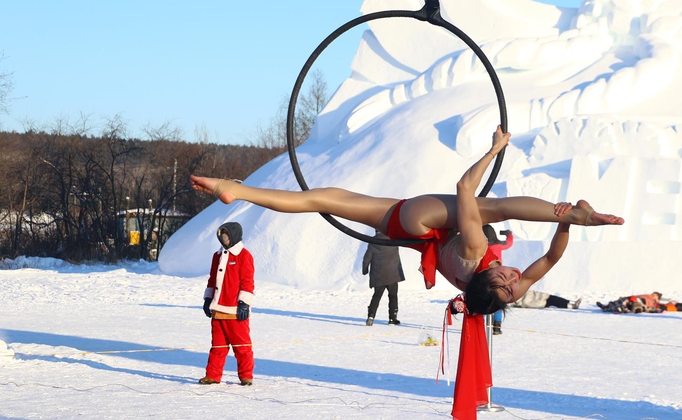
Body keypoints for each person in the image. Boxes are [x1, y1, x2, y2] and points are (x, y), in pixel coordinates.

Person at [191, 126, 624, 318]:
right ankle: (237, 190)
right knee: (324, 199)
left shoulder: (477, 254)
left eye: (506, 284)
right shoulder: (500, 292)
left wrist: (495, 150)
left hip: (424, 220)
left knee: (493, 207)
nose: (514, 279)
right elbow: (550, 256)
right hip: (408, 229)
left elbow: (463, 188)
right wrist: (564, 227)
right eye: (515, 286)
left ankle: (581, 214)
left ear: (485, 284)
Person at [199, 222, 256, 385]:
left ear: (234, 235)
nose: (224, 238)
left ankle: (246, 376)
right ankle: (212, 375)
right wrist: (208, 299)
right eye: (221, 235)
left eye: (226, 235)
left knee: (242, 346)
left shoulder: (244, 255)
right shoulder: (217, 256)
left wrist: (244, 303)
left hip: (235, 311)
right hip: (217, 309)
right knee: (217, 346)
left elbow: (247, 281)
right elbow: (212, 279)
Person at [362, 231, 405, 326]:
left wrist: (365, 269)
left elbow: (367, 258)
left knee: (376, 296)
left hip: (378, 275)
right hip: (392, 274)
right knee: (393, 296)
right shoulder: (393, 240)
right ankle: (392, 319)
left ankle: (371, 316)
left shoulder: (373, 241)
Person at [483, 224, 513, 335]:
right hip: (499, 275)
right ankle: (497, 326)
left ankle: (480, 325)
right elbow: (509, 242)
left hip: (484, 275)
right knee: (498, 300)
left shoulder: (482, 246)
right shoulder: (499, 244)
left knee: (483, 299)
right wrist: (508, 234)